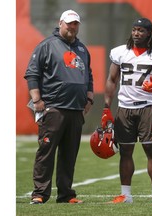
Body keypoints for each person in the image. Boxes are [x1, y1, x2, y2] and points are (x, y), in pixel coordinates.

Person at [24, 9, 94, 204]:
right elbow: (32, 74)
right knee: (46, 152)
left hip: (76, 110)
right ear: (60, 23)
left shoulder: (81, 48)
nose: (72, 27)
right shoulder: (47, 45)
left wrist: (89, 98)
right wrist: (37, 100)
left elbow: (88, 75)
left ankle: (65, 195)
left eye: (76, 24)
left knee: (69, 155)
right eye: (69, 23)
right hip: (53, 108)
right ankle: (40, 194)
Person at [101, 17, 152, 204]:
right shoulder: (120, 53)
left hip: (146, 108)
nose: (136, 33)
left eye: (141, 30)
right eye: (134, 30)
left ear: (149, 33)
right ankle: (126, 195)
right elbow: (111, 80)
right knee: (125, 152)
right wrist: (107, 106)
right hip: (124, 108)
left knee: (151, 150)